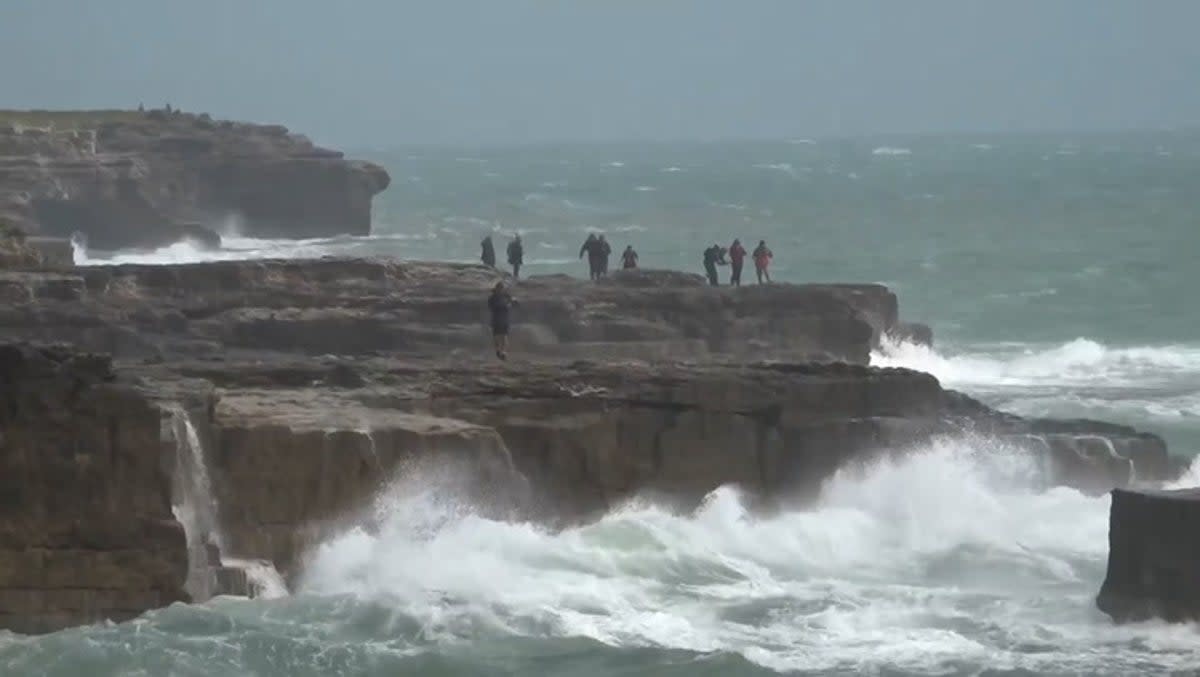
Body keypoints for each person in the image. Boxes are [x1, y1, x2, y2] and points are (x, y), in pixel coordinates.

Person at [487, 281, 517, 360]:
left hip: (504, 319)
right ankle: (498, 351)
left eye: (501, 288)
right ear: (496, 289)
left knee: (504, 336)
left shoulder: (506, 296)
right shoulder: (492, 298)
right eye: (499, 288)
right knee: (496, 337)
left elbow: (515, 304)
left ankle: (503, 352)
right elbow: (493, 307)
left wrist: (514, 302)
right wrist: (507, 305)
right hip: (496, 319)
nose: (500, 290)